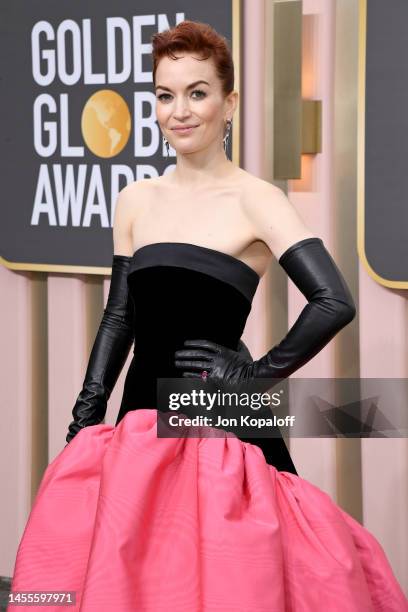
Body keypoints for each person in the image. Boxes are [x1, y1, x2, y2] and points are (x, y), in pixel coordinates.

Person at [8, 20, 407, 612]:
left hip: (214, 410)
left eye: (197, 93)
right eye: (165, 95)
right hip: (139, 414)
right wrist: (83, 422)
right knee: (132, 573)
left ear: (230, 102)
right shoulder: (136, 200)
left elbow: (335, 300)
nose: (180, 111)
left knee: (223, 581)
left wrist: (256, 376)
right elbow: (120, 317)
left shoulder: (256, 199)